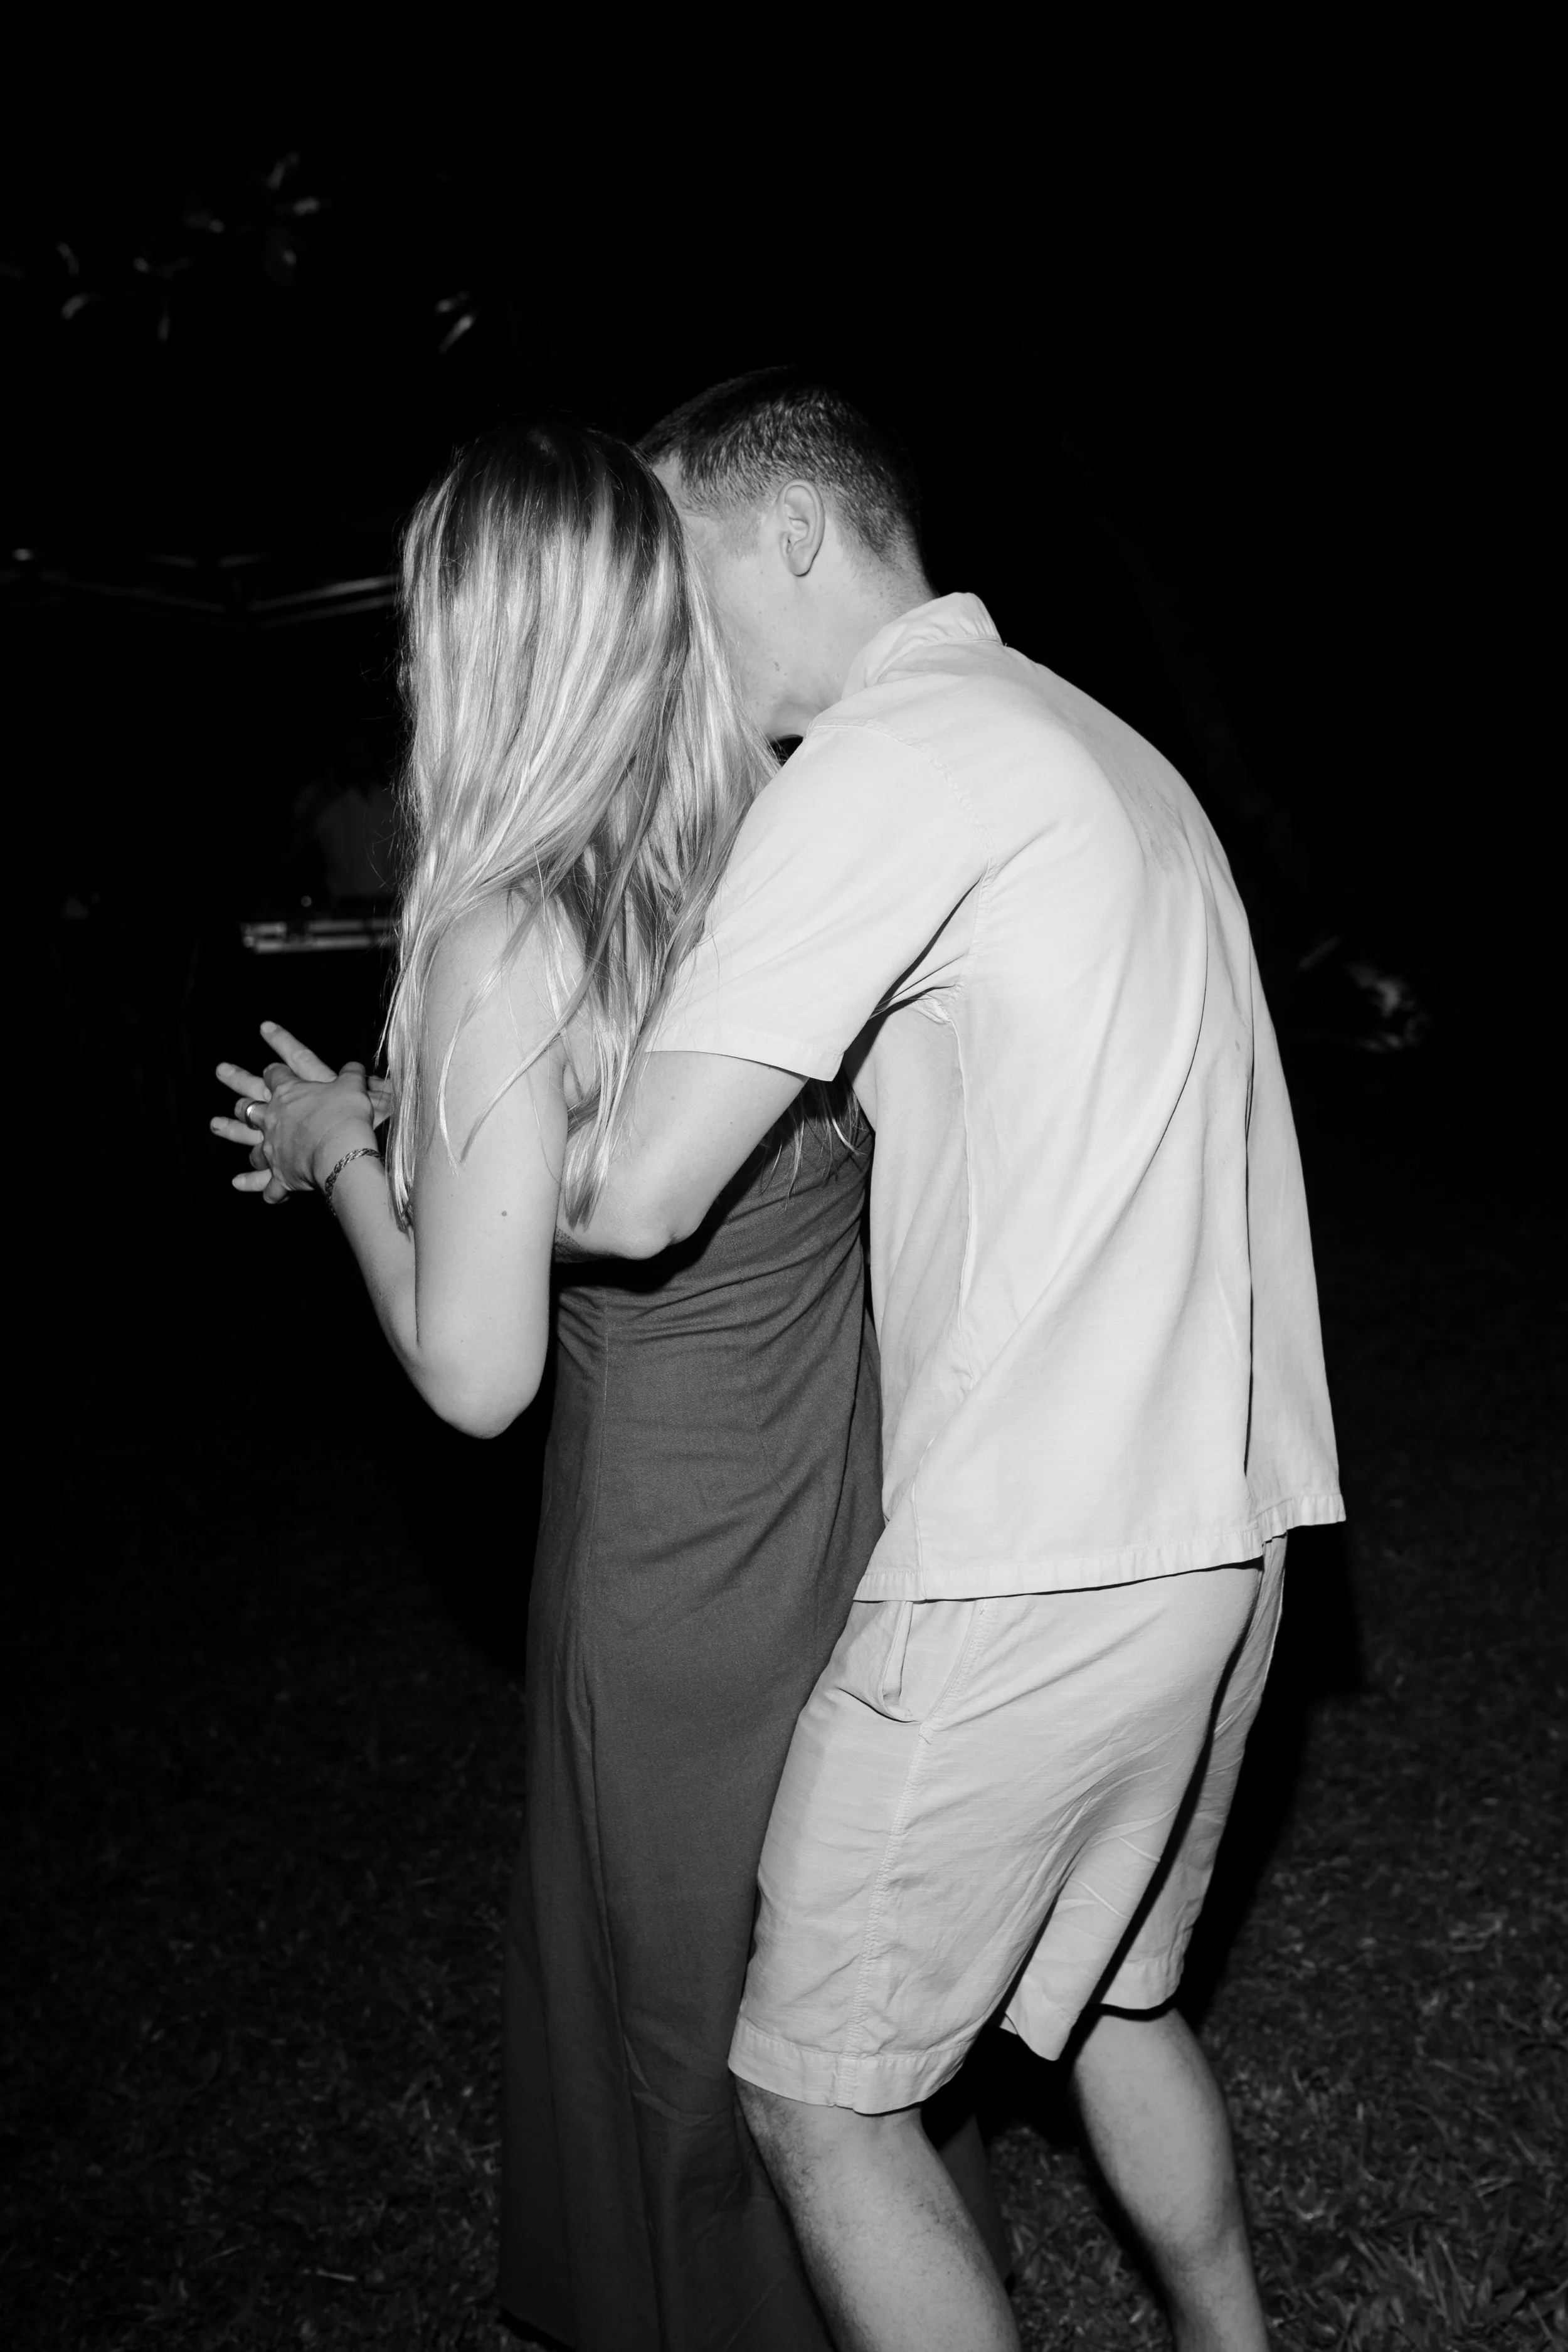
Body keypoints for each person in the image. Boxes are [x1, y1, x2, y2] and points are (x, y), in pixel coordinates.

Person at [566, 369, 1346, 2352]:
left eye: (678, 575)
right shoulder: (1100, 741)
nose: (664, 636)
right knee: (1116, 1998)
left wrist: (408, 1148)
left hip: (1032, 1554)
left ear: (794, 536)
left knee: (814, 2099)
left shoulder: (888, 759)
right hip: (1230, 1529)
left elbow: (644, 1191)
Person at [209, 420, 888, 2348]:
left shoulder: (514, 932)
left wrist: (349, 1154)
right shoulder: (788, 842)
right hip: (829, 1527)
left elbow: (478, 1370)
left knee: (688, 2066)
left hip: (664, 1583)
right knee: (819, 2037)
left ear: (484, 646)